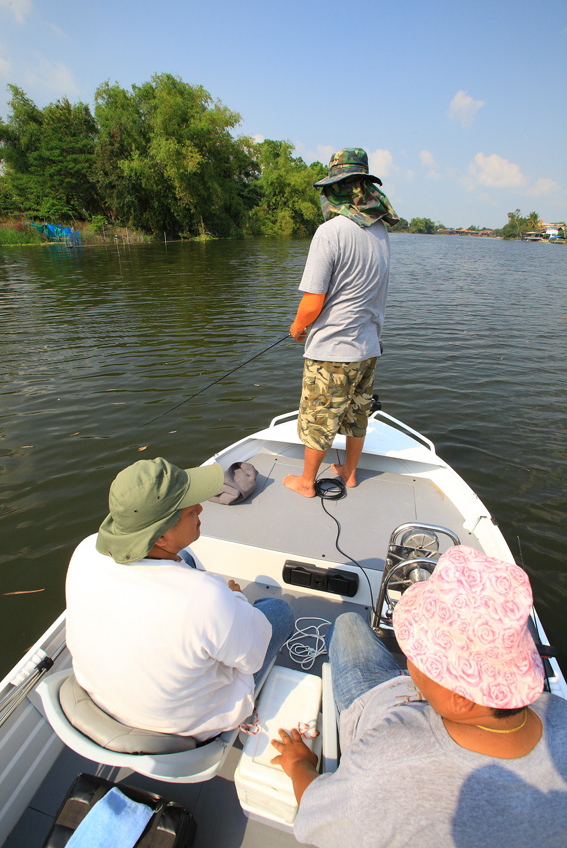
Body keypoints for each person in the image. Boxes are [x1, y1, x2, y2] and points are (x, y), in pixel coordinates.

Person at [271, 545, 567, 847]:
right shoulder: (559, 714)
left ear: (461, 698)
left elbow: (316, 812)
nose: (408, 658)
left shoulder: (382, 764)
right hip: (428, 704)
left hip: (377, 707)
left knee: (347, 624)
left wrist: (299, 764)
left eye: (418, 651)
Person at [66, 456, 294, 743]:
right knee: (278, 612)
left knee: (185, 559)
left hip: (102, 697)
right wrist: (236, 598)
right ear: (160, 536)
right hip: (182, 724)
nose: (201, 507)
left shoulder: (86, 550)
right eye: (190, 511)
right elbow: (252, 658)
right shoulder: (204, 597)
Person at [283, 147, 399, 497]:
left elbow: (312, 302)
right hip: (368, 349)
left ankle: (306, 483)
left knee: (319, 419)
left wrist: (297, 327)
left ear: (339, 188)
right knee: (356, 415)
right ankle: (349, 473)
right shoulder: (380, 233)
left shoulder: (330, 232)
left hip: (332, 352)